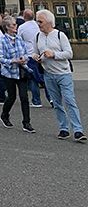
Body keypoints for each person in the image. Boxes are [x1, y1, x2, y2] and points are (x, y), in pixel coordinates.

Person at [35, 9, 87, 142]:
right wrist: (36, 57)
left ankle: (78, 130)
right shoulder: (38, 36)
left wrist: (54, 54)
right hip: (48, 74)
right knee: (57, 103)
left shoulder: (59, 35)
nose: (38, 24)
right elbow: (35, 52)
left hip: (63, 73)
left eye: (40, 22)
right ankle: (63, 128)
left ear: (49, 22)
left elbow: (69, 53)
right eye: (37, 21)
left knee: (69, 100)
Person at [0, 15, 34, 133]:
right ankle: (4, 114)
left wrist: (24, 58)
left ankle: (26, 122)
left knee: (24, 97)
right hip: (9, 73)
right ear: (7, 27)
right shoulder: (2, 41)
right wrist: (13, 61)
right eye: (13, 25)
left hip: (21, 71)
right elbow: (0, 58)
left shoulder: (19, 39)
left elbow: (26, 53)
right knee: (11, 97)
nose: (16, 26)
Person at [16, 9, 44, 107]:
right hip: (40, 53)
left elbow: (19, 40)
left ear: (24, 17)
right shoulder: (38, 25)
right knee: (43, 76)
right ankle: (52, 99)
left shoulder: (22, 27)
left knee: (32, 78)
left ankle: (36, 100)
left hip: (29, 54)